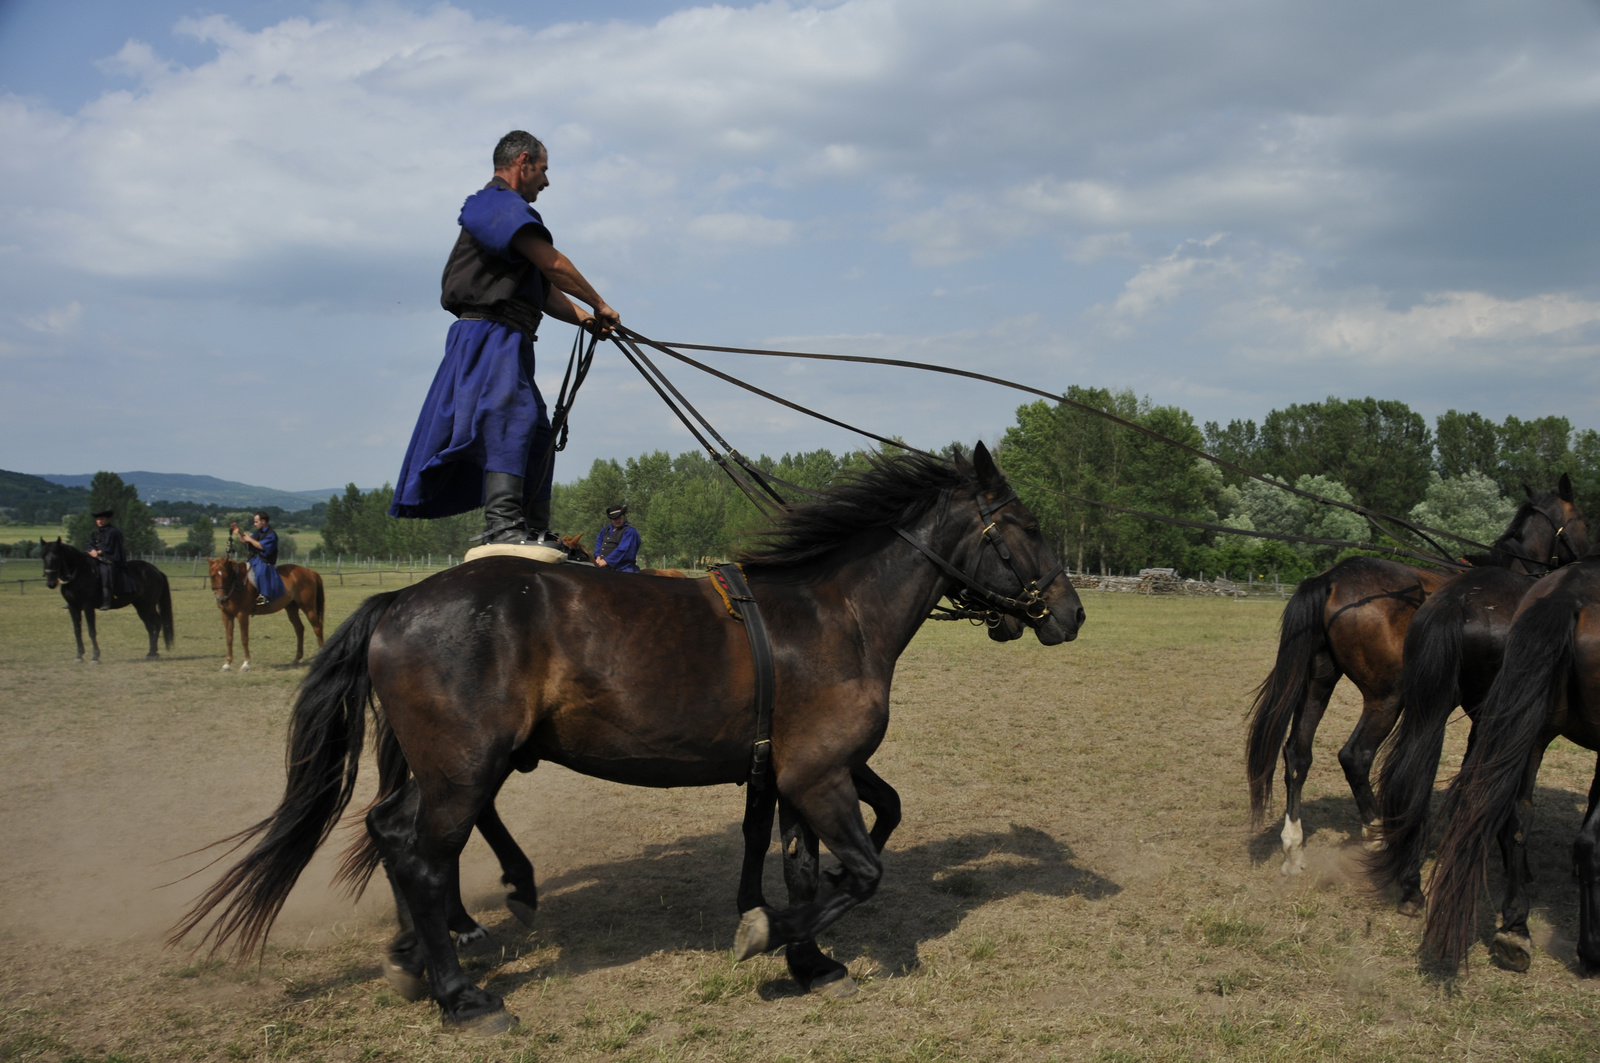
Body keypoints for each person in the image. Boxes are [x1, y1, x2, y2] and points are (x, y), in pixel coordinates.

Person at [389, 130, 621, 548]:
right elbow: (551, 264)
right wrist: (600, 302)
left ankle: (531, 527)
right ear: (524, 161)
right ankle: (502, 524)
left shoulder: (508, 221)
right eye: (544, 171)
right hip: (487, 334)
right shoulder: (494, 203)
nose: (546, 182)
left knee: (536, 429)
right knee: (509, 416)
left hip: (510, 336)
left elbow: (542, 286)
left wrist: (585, 318)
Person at [232, 511, 286, 606]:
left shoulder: (271, 534)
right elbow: (246, 542)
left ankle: (265, 596)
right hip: (254, 558)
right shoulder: (257, 532)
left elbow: (262, 546)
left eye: (256, 522)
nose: (254, 524)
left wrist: (250, 539)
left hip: (265, 560)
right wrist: (238, 533)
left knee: (261, 572)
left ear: (263, 521)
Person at [86, 509, 125, 610]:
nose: (99, 521)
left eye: (102, 519)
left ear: (107, 519)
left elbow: (111, 547)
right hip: (95, 557)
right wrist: (92, 550)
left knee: (105, 572)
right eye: (98, 519)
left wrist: (99, 552)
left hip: (109, 559)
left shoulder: (114, 532)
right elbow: (90, 544)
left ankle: (107, 601)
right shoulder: (95, 533)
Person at [594, 504, 640, 573]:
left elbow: (622, 550)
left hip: (623, 568)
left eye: (619, 518)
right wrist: (598, 556)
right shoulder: (605, 530)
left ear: (624, 517)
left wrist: (607, 561)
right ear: (610, 519)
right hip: (604, 567)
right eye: (614, 519)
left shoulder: (630, 532)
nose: (617, 520)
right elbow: (599, 543)